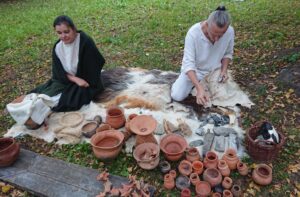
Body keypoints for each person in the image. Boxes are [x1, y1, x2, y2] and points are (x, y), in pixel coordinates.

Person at [7, 15, 105, 128]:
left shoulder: (85, 42)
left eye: (66, 32)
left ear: (74, 29)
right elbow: (58, 73)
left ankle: (37, 115)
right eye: (59, 33)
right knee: (43, 94)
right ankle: (28, 109)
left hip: (86, 81)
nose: (63, 36)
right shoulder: (58, 47)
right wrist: (74, 78)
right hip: (65, 80)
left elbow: (93, 69)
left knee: (64, 100)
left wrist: (80, 80)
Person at [171, 6, 234, 106]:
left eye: (221, 35)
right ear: (206, 24)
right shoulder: (193, 33)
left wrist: (224, 70)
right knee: (177, 95)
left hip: (215, 71)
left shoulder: (230, 31)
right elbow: (188, 64)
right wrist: (199, 87)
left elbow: (228, 53)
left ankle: (208, 85)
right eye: (214, 34)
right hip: (196, 71)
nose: (217, 39)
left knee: (223, 100)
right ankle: (196, 85)